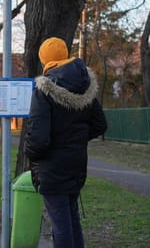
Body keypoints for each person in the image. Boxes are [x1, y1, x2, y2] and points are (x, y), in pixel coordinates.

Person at [24, 37, 108, 248]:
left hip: (52, 169)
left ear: (45, 60)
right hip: (76, 165)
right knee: (71, 219)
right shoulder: (85, 85)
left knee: (61, 224)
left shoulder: (43, 90)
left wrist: (30, 152)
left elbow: (39, 140)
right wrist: (76, 139)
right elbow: (100, 124)